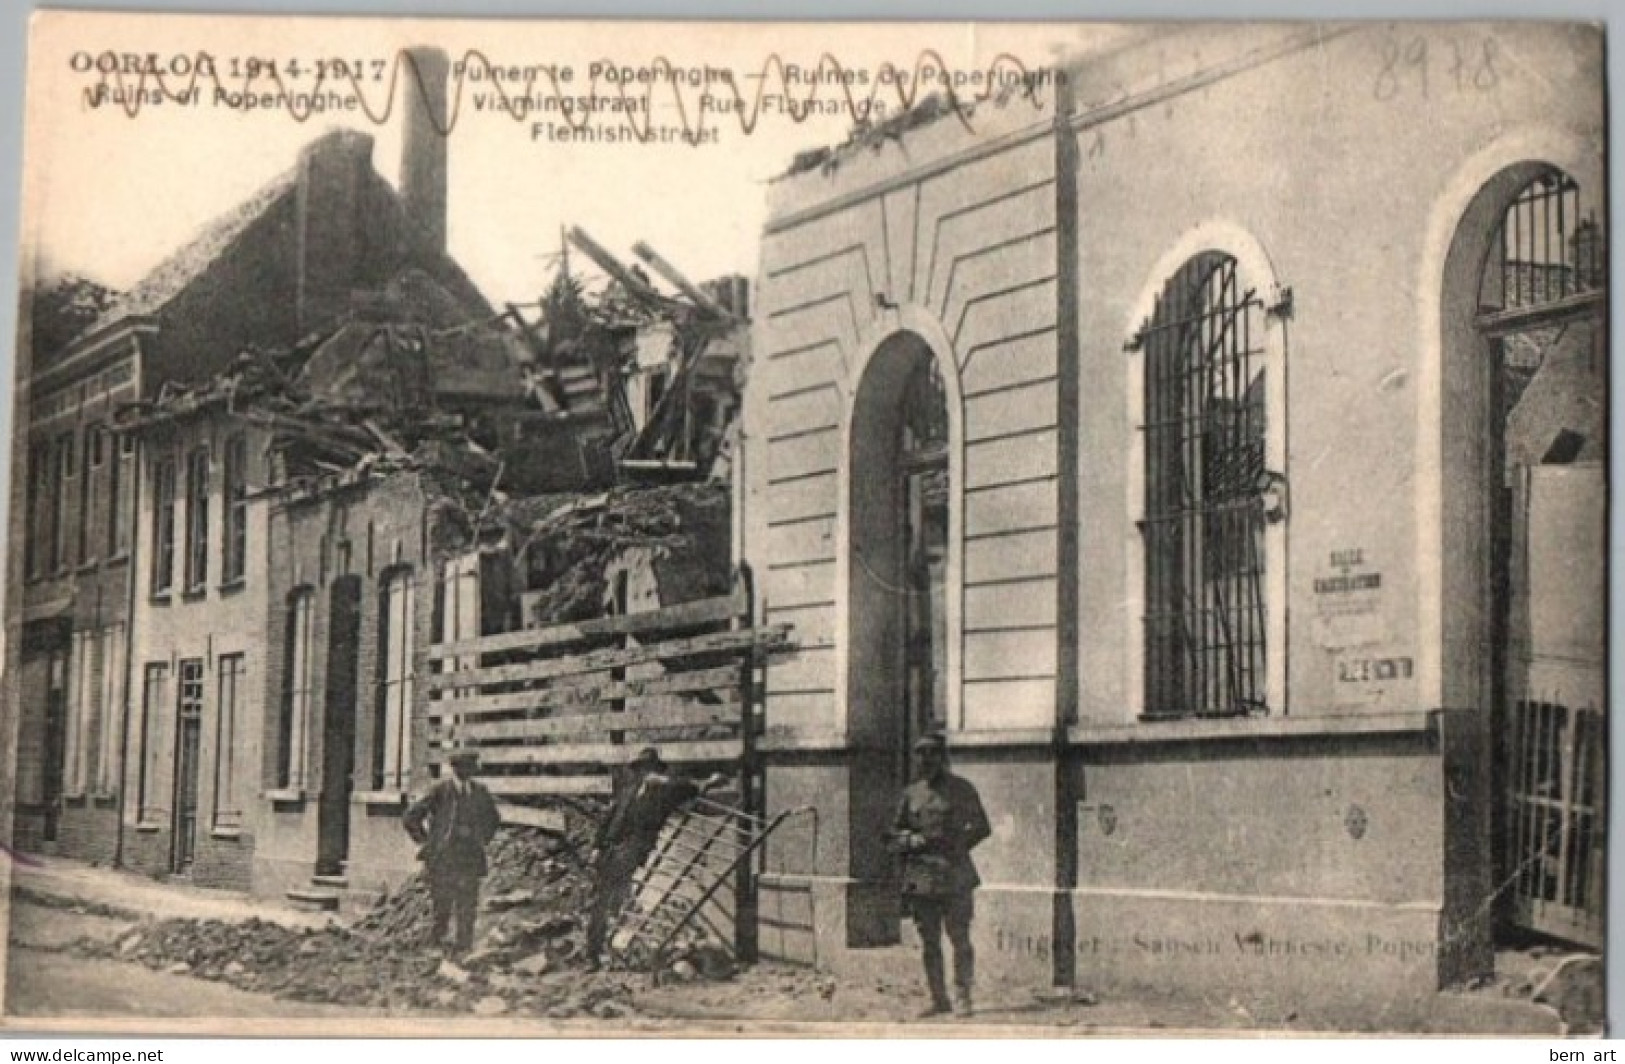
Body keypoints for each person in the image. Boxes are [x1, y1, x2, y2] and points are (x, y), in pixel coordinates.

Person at [582, 747, 727, 969]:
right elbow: (609, 819)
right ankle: (594, 953)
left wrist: (708, 781)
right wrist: (596, 847)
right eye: (639, 769)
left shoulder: (665, 792)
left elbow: (689, 787)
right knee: (600, 902)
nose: (643, 774)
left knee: (610, 899)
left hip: (633, 851)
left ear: (656, 770)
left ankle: (611, 949)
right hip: (610, 850)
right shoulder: (628, 791)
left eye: (647, 769)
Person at [891, 732, 992, 1019]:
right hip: (922, 876)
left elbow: (982, 827)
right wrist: (908, 840)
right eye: (921, 754)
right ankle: (938, 998)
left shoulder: (962, 789)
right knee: (929, 941)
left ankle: (963, 996)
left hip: (955, 873)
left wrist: (956, 845)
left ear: (942, 756)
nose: (926, 759)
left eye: (932, 753)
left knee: (959, 937)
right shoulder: (910, 794)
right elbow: (892, 834)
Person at [403, 748, 501, 959]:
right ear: (455, 768)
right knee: (442, 902)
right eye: (465, 767)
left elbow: (493, 819)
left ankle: (464, 947)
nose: (469, 771)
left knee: (468, 903)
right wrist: (426, 841)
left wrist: (482, 838)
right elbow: (411, 817)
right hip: (444, 857)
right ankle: (437, 944)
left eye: (471, 767)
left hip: (470, 857)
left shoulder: (480, 792)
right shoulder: (440, 791)